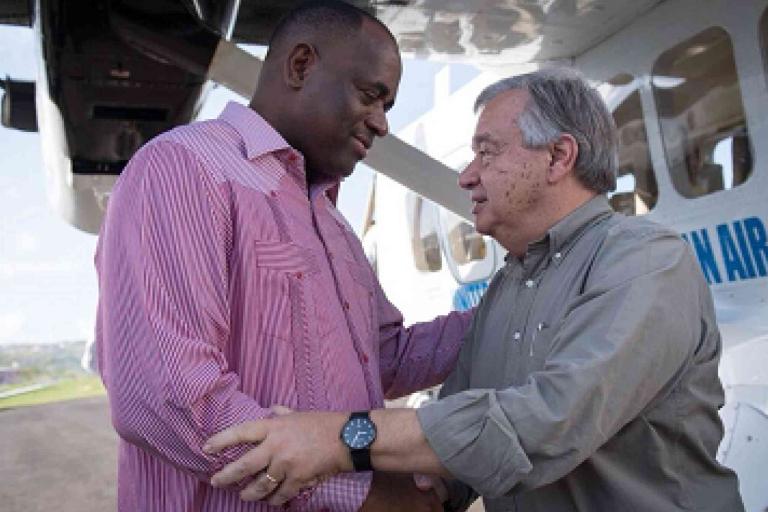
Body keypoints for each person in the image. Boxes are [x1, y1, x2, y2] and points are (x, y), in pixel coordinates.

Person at [203, 69, 745, 512]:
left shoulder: (645, 262)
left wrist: (340, 439)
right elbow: (457, 450)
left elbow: (542, 426)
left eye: (487, 153)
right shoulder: (508, 287)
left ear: (558, 157)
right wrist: (411, 490)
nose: (466, 176)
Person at [94, 1, 471, 511]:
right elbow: (167, 397)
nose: (382, 124)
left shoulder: (333, 223)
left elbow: (387, 358)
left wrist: (516, 307)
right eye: (371, 96)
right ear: (300, 65)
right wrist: (362, 494)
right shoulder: (184, 168)